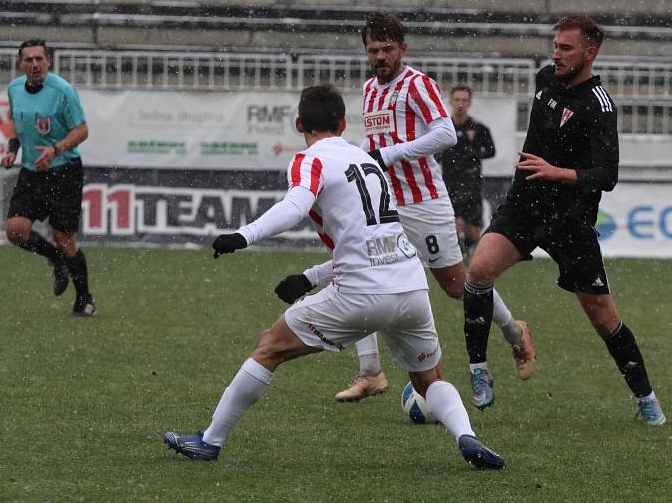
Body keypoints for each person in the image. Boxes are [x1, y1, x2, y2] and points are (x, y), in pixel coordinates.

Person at [163, 84, 505, 469]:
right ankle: (467, 436)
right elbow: (371, 238)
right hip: (409, 286)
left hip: (360, 292)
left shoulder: (310, 160)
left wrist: (244, 236)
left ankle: (210, 441)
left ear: (298, 124)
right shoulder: (367, 161)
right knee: (430, 378)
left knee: (268, 348)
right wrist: (310, 277)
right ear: (343, 123)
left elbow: (294, 208)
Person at [300, 12, 534, 407]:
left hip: (424, 200)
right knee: (360, 273)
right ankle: (370, 371)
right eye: (374, 50)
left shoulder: (417, 84)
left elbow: (444, 133)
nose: (380, 57)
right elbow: (375, 140)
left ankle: (515, 332)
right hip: (385, 204)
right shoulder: (370, 88)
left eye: (388, 49)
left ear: (402, 49)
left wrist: (386, 155)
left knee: (457, 286)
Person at [462, 16, 666, 425]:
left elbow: (608, 176)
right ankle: (479, 371)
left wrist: (558, 172)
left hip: (570, 220)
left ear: (589, 53)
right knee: (479, 270)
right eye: (554, 45)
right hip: (524, 204)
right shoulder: (545, 80)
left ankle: (646, 397)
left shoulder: (599, 105)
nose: (555, 54)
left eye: (565, 48)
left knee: (604, 319)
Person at [1, 38, 96, 317]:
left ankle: (85, 299)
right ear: (21, 64)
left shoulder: (63, 90)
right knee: (15, 230)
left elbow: (82, 130)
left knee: (64, 237)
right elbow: (18, 126)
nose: (34, 64)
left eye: (39, 59)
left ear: (48, 62)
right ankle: (56, 260)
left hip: (64, 170)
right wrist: (12, 150)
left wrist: (55, 149)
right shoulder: (14, 89)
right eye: (28, 60)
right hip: (32, 172)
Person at [437, 85, 496, 260]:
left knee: (474, 231)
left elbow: (491, 151)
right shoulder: (443, 128)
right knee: (454, 226)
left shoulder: (479, 128)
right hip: (450, 186)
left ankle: (469, 252)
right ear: (450, 102)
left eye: (464, 100)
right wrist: (446, 155)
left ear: (469, 103)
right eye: (457, 100)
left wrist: (473, 154)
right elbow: (434, 154)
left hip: (472, 186)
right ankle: (457, 258)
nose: (460, 104)